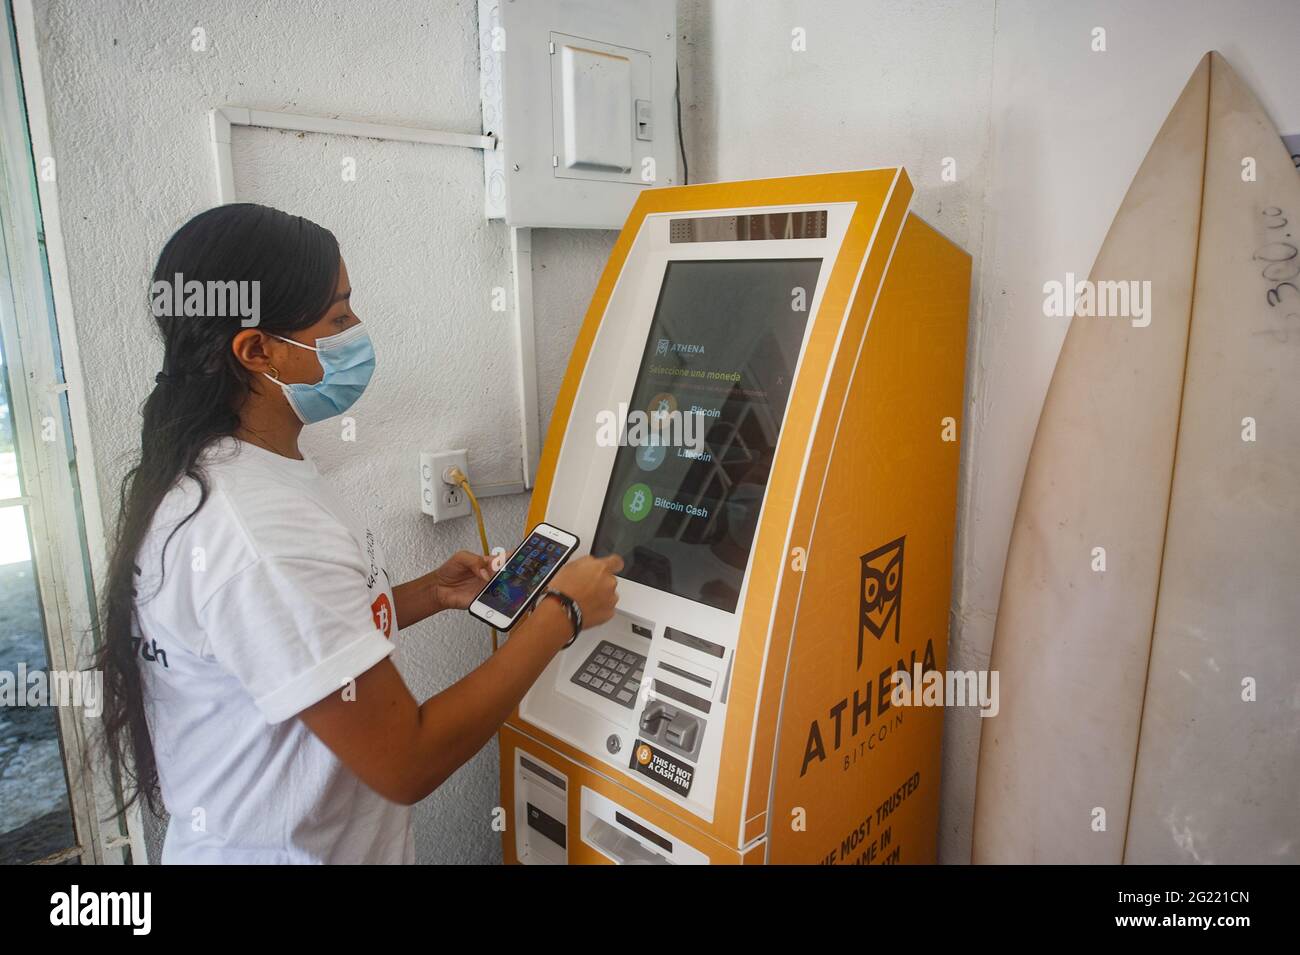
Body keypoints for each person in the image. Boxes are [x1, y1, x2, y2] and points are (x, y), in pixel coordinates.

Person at [94, 203, 622, 863]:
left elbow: (282, 637)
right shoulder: (258, 529)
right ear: (257, 351)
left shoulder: (223, 475)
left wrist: (427, 594)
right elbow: (407, 758)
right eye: (338, 318)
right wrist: (561, 614)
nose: (357, 333)